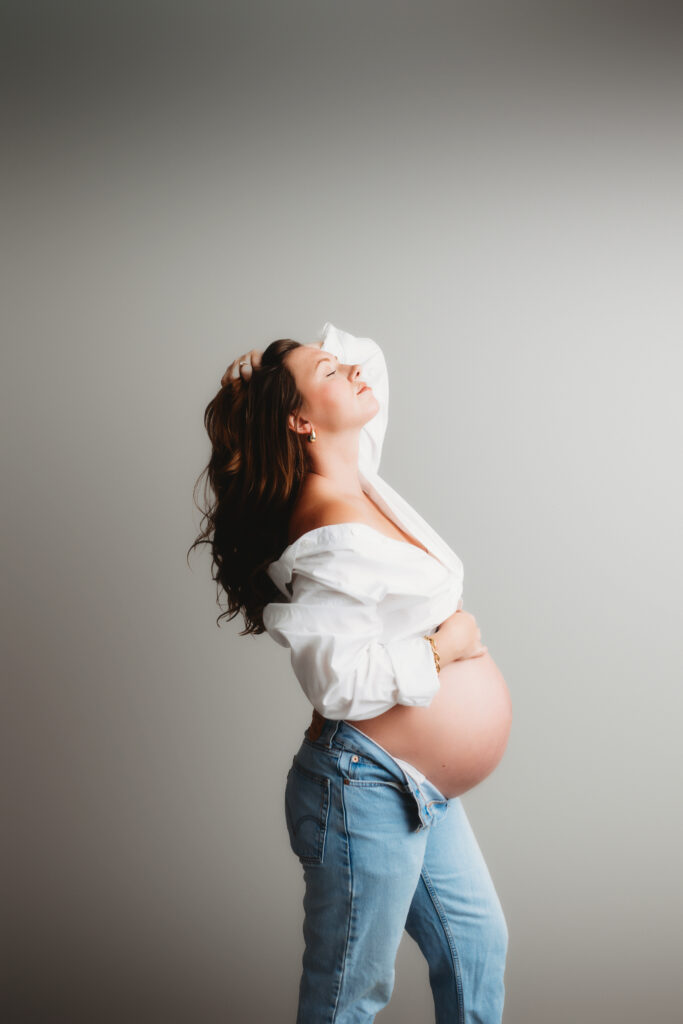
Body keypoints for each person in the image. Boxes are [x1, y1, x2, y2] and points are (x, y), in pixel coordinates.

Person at [190, 322, 508, 1023]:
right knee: (349, 996)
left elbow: (368, 364)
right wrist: (442, 651)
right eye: (329, 374)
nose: (351, 373)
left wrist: (297, 360)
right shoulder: (322, 535)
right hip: (362, 787)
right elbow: (336, 686)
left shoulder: (356, 471)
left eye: (340, 366)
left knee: (476, 948)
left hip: (416, 785)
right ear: (301, 421)